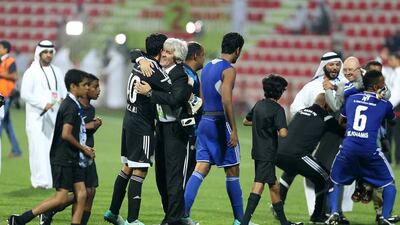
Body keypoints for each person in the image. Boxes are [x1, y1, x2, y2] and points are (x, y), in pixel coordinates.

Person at [8, 69, 94, 225]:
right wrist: (84, 148)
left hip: (73, 157)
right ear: (73, 86)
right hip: (63, 157)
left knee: (82, 194)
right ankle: (22, 219)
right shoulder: (70, 106)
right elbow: (66, 134)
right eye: (85, 85)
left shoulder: (74, 104)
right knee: (62, 197)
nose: (87, 88)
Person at [103, 33, 172, 225]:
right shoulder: (154, 71)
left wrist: (140, 57)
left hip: (129, 120)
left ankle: (113, 212)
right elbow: (173, 91)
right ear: (161, 50)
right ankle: (132, 220)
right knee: (140, 169)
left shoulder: (141, 63)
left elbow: (135, 52)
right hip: (142, 125)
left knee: (128, 166)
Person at [183, 32, 248, 225]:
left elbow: (202, 98)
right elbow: (226, 99)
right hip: (220, 122)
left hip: (204, 121)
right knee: (233, 170)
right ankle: (240, 220)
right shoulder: (229, 70)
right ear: (237, 50)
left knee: (201, 167)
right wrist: (234, 130)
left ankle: (182, 215)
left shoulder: (208, 66)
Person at [134, 38, 194, 225]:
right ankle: (170, 216)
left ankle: (173, 219)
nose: (163, 54)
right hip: (161, 128)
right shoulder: (160, 71)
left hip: (176, 130)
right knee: (161, 176)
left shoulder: (181, 75)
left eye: (168, 52)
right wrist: (141, 60)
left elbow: (176, 98)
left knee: (174, 178)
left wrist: (150, 93)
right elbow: (135, 52)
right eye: (163, 51)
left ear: (177, 57)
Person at [326, 70, 397, 225]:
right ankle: (384, 217)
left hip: (348, 148)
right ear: (377, 85)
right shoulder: (384, 104)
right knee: (389, 184)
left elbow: (341, 120)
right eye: (382, 82)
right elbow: (393, 121)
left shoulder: (351, 98)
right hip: (369, 150)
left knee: (334, 180)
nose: (384, 84)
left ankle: (334, 214)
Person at [39, 73, 102, 225]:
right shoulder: (74, 106)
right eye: (94, 86)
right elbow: (71, 130)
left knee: (90, 192)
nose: (97, 90)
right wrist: (90, 126)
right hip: (76, 155)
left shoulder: (90, 109)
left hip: (87, 153)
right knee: (81, 193)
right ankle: (49, 210)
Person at [241, 75, 302, 225]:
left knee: (274, 187)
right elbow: (283, 133)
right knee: (259, 184)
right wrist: (279, 126)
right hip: (268, 152)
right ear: (280, 92)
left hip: (257, 151)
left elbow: (246, 121)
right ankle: (244, 221)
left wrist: (261, 124)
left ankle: (284, 222)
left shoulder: (259, 105)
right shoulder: (278, 109)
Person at [277, 94, 344, 224]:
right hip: (297, 155)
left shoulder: (301, 112)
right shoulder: (326, 117)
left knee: (290, 171)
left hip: (278, 153)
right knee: (325, 178)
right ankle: (318, 216)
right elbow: (342, 132)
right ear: (326, 105)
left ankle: (277, 206)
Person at [20, 40, 68, 189]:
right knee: (37, 148)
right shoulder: (31, 72)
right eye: (45, 52)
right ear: (39, 53)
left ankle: (51, 180)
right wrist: (43, 104)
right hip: (37, 117)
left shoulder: (57, 71)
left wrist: (61, 99)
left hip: (55, 116)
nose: (48, 55)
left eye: (50, 52)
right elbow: (25, 94)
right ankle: (39, 182)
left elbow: (63, 92)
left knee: (51, 149)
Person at [182, 41, 205, 186]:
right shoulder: (186, 74)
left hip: (191, 130)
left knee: (189, 170)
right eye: (203, 55)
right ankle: (178, 206)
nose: (204, 59)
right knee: (185, 172)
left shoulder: (192, 74)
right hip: (187, 130)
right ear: (196, 56)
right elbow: (186, 100)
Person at [0, 40, 22, 158]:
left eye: (0, 47)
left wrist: (1, 74)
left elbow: (14, 76)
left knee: (0, 122)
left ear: (6, 50)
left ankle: (16, 150)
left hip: (5, 96)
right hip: (1, 95)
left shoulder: (10, 61)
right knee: (7, 124)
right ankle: (16, 150)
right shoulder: (1, 61)